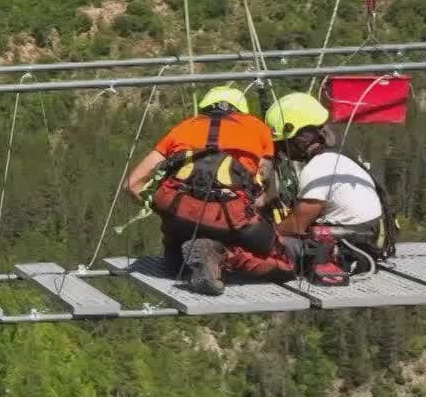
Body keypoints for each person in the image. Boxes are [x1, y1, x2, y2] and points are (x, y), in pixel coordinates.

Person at [123, 84, 280, 294]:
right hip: (230, 218)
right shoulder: (256, 127)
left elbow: (132, 184)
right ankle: (221, 253)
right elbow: (265, 183)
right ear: (242, 109)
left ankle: (186, 256)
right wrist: (264, 202)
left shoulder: (182, 127)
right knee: (270, 248)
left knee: (174, 268)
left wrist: (165, 210)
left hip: (180, 219)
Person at [265, 91, 391, 285]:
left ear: (298, 138)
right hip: (367, 241)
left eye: (283, 143)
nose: (282, 151)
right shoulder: (338, 156)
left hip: (351, 250)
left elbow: (296, 225)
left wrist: (268, 234)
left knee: (267, 247)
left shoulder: (318, 168)